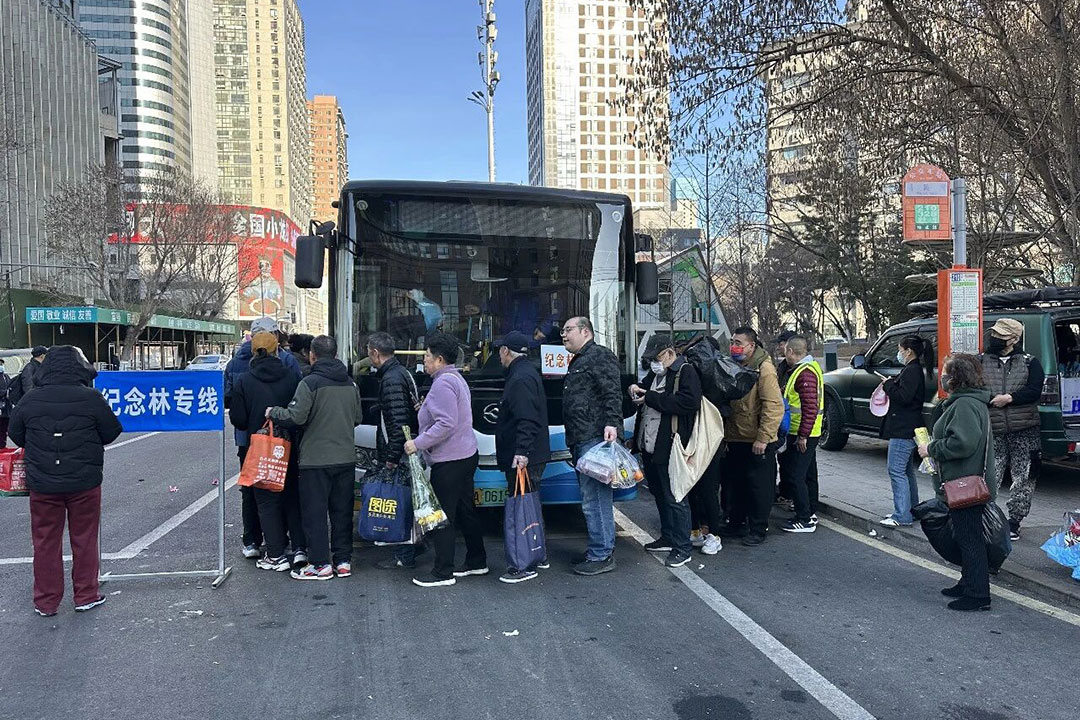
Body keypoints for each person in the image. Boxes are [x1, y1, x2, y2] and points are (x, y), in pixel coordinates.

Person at [9, 346, 123, 616]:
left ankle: (46, 602)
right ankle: (85, 595)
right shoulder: (91, 398)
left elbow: (16, 434)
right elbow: (111, 431)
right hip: (84, 481)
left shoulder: (31, 399)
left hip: (43, 484)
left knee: (45, 541)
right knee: (84, 538)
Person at [268, 335, 362, 581]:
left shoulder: (309, 383)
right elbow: (357, 418)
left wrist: (274, 412)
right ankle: (343, 561)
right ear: (336, 354)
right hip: (345, 458)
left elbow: (296, 417)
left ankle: (320, 564)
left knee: (315, 514)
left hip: (315, 460)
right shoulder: (351, 384)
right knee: (342, 513)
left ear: (312, 355)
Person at [403, 333, 485, 588]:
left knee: (442, 516)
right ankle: (477, 560)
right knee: (466, 510)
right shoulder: (455, 378)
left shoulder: (442, 384)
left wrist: (417, 443)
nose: (424, 361)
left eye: (427, 356)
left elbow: (446, 423)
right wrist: (425, 410)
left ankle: (443, 571)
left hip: (449, 460)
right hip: (465, 454)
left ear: (439, 359)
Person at [919, 353, 997, 611]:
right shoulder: (969, 401)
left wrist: (932, 449)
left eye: (945, 372)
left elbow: (963, 443)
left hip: (965, 485)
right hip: (965, 481)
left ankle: (978, 595)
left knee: (970, 539)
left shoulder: (964, 405)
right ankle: (968, 582)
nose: (941, 376)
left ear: (955, 378)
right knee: (966, 537)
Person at [229, 332, 307, 572]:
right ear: (277, 351)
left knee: (265, 499)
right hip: (289, 445)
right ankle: (299, 548)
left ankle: (275, 554)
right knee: (292, 495)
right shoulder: (292, 377)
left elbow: (238, 419)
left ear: (253, 352)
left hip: (259, 447)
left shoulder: (245, 381)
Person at [630, 334, 703, 567]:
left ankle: (682, 547)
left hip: (670, 445)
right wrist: (636, 389)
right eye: (651, 359)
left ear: (670, 353)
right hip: (650, 444)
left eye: (658, 357)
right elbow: (646, 391)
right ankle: (668, 536)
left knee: (675, 497)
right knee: (660, 493)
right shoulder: (656, 374)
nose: (654, 363)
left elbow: (688, 403)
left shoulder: (685, 372)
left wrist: (650, 397)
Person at [561, 316, 623, 575]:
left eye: (568, 330)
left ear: (585, 331)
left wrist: (612, 423)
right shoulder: (580, 359)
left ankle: (601, 554)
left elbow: (612, 392)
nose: (563, 335)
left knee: (595, 498)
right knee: (590, 497)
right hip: (581, 437)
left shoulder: (599, 355)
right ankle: (597, 550)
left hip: (594, 438)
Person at [978, 318, 1044, 541]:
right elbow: (973, 388)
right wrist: (991, 398)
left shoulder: (1030, 362)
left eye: (1001, 336)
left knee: (1024, 477)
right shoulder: (980, 361)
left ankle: (1014, 522)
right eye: (994, 334)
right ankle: (986, 517)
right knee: (989, 475)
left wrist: (1009, 398)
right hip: (992, 428)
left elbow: (1034, 391)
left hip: (1025, 428)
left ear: (1015, 339)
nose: (995, 339)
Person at [719, 327, 785, 546]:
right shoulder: (733, 365)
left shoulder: (764, 369)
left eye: (738, 343)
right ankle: (736, 522)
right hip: (736, 436)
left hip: (756, 440)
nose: (734, 346)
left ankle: (758, 528)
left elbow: (773, 406)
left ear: (751, 345)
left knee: (759, 487)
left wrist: (763, 438)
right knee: (735, 484)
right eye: (732, 342)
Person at [494, 331, 551, 583]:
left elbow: (527, 419)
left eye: (499, 350)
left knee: (520, 509)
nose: (498, 355)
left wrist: (521, 452)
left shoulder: (519, 378)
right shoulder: (526, 372)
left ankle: (522, 565)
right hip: (531, 453)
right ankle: (537, 553)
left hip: (524, 456)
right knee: (530, 507)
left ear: (506, 351)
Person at [367, 331, 424, 571]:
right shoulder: (402, 372)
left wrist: (390, 457)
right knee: (407, 500)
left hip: (399, 451)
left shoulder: (390, 379)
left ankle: (404, 554)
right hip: (406, 447)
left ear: (375, 353)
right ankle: (413, 545)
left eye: (369, 352)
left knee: (399, 501)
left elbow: (399, 422)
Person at [879, 335, 934, 528]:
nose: (899, 353)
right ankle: (911, 509)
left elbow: (904, 397)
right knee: (906, 471)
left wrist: (888, 385)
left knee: (896, 470)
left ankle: (902, 515)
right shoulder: (913, 369)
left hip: (903, 428)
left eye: (900, 349)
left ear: (908, 351)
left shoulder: (912, 371)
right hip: (910, 426)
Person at [777, 336, 824, 534]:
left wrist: (803, 436)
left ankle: (804, 518)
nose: (783, 355)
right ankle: (810, 512)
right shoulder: (806, 369)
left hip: (803, 432)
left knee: (796, 476)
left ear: (790, 351)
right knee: (808, 474)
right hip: (807, 431)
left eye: (785, 351)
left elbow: (810, 407)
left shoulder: (804, 374)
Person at [773, 330, 797, 507]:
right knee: (784, 461)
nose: (778, 347)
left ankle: (795, 498)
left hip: (797, 425)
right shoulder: (782, 366)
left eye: (780, 344)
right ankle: (785, 492)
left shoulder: (800, 369)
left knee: (795, 465)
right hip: (783, 422)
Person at [0, 359, 10, 446]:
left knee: (4, 427)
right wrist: (5, 392)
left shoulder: (6, 376)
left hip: (6, 407)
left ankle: (3, 444)